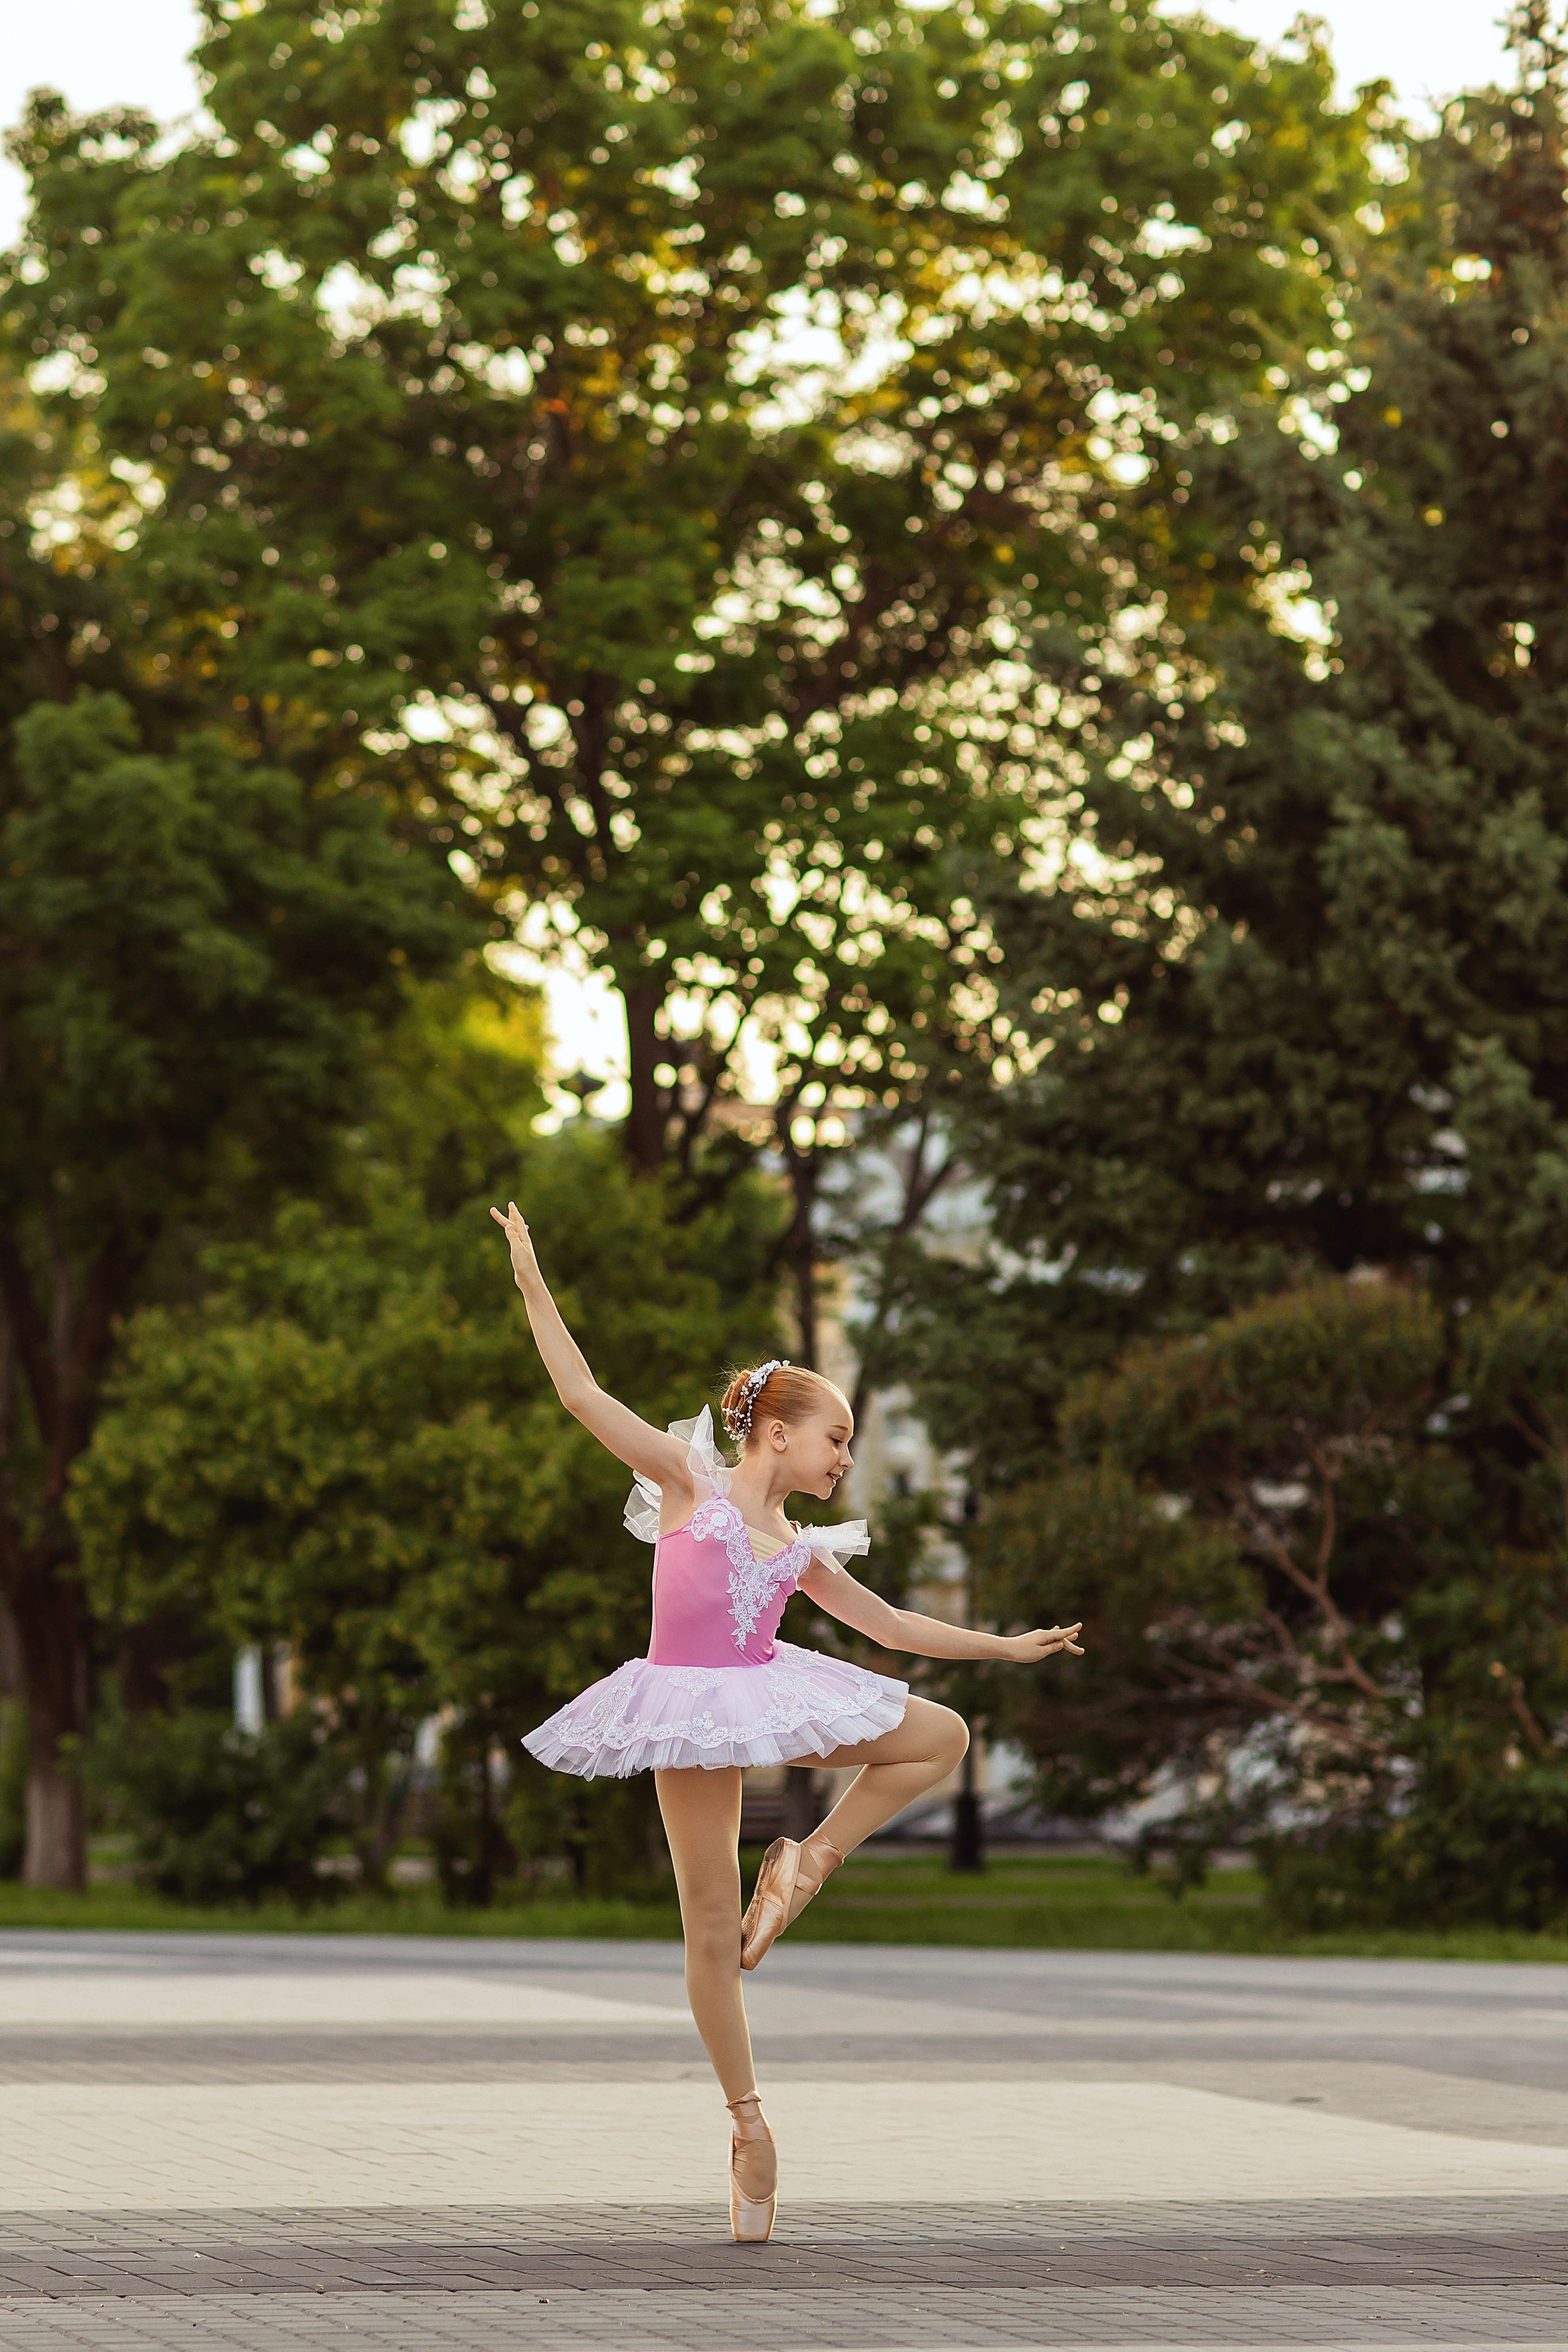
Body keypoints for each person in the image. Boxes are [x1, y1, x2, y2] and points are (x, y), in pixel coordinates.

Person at [491, 1199, 1084, 2244]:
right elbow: (582, 1394)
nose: (845, 1457)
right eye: (836, 1438)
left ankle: (806, 1866)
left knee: (941, 1735)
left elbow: (891, 1625)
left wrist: (1005, 1646)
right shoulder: (688, 1483)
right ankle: (749, 2125)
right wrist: (533, 1279)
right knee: (709, 1926)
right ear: (777, 1432)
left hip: (766, 1690)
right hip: (684, 1705)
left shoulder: (803, 1547)